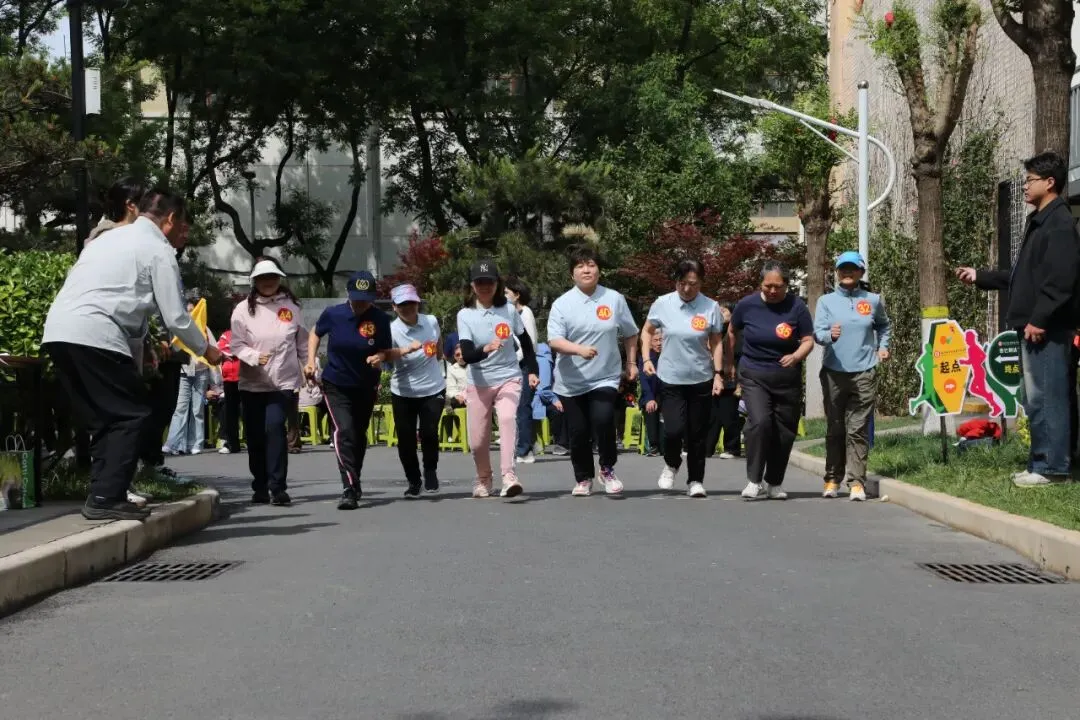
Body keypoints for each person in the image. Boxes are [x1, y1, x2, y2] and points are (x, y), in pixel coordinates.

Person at [42, 189, 221, 521]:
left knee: (105, 419)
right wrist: (206, 349)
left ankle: (102, 493)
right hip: (97, 333)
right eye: (182, 225)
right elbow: (176, 318)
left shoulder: (107, 239)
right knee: (131, 414)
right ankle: (106, 497)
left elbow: (126, 309)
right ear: (170, 219)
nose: (182, 235)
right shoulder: (158, 249)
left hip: (58, 333)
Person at [956, 151, 1080, 486]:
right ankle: (1041, 463)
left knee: (1047, 397)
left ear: (1050, 182)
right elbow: (1022, 277)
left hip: (1046, 329)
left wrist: (1040, 318)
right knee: (1035, 398)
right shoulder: (1040, 221)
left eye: (1030, 180)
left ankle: (1052, 468)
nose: (1025, 186)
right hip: (1034, 326)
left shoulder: (1058, 223)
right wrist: (980, 276)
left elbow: (1061, 280)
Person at [547, 245, 639, 496]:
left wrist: (631, 363)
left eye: (591, 265)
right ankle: (583, 478)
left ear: (599, 270)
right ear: (572, 274)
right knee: (578, 431)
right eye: (580, 266)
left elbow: (631, 333)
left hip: (605, 376)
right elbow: (554, 340)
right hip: (571, 379)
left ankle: (607, 468)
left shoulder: (614, 299)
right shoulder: (562, 304)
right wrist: (578, 350)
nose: (586, 270)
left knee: (603, 418)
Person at [306, 270, 392, 510]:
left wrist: (380, 357)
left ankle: (355, 478)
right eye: (356, 299)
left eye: (365, 299)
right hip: (336, 383)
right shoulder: (333, 314)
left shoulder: (380, 319)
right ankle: (349, 487)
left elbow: (386, 350)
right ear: (348, 294)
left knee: (358, 434)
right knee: (344, 431)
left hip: (366, 384)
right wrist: (311, 361)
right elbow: (315, 333)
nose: (361, 304)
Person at [639, 259, 725, 498]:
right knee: (673, 430)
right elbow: (646, 331)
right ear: (676, 281)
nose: (687, 288)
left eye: (693, 284)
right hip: (671, 378)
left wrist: (718, 374)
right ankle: (671, 463)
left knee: (697, 434)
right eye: (682, 283)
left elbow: (717, 342)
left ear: (701, 282)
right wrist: (646, 359)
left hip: (700, 377)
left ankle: (695, 480)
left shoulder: (710, 307)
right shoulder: (662, 303)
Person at [731, 261, 815, 500]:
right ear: (761, 283)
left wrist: (796, 356)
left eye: (778, 286)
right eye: (768, 286)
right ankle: (754, 480)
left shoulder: (797, 307)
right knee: (759, 423)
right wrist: (729, 364)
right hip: (754, 373)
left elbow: (808, 340)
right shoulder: (747, 305)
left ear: (786, 285)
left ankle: (774, 482)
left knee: (784, 431)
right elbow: (732, 332)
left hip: (787, 377)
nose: (773, 291)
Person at [456, 260, 539, 498]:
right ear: (472, 286)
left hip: (508, 377)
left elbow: (525, 342)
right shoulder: (465, 315)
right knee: (478, 440)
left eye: (489, 282)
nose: (485, 287)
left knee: (507, 418)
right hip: (479, 381)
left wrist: (532, 370)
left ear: (497, 284)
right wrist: (486, 348)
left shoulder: (509, 310)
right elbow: (468, 355)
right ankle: (484, 478)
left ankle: (509, 476)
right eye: (479, 282)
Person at [813, 251, 892, 501]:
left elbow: (884, 325)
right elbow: (818, 333)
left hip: (865, 371)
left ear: (861, 272)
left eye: (852, 268)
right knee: (835, 428)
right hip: (833, 373)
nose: (847, 272)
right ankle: (832, 479)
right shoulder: (826, 301)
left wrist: (882, 346)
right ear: (837, 272)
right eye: (843, 268)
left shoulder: (873, 300)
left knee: (857, 429)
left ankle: (857, 482)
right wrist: (830, 336)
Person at [230, 257, 308, 506]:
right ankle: (260, 486)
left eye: (272, 277)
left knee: (275, 429)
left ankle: (278, 487)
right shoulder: (243, 309)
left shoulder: (292, 307)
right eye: (262, 278)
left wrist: (309, 365)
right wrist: (254, 356)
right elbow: (236, 345)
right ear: (254, 281)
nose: (268, 282)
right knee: (255, 436)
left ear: (279, 279)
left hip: (282, 382)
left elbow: (302, 342)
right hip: (252, 382)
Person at [380, 283, 445, 497]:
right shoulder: (392, 329)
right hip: (403, 391)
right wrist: (406, 350)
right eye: (402, 305)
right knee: (406, 439)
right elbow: (385, 356)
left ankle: (430, 470)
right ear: (394, 307)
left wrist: (437, 356)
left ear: (418, 303)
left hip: (433, 388)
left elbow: (439, 346)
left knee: (429, 431)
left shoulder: (431, 321)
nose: (408, 308)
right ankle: (413, 480)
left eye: (411, 303)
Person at [163, 300, 217, 455]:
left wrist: (215, 383)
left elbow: (213, 349)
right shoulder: (179, 329)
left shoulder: (204, 327)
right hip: (184, 371)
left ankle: (195, 443)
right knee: (180, 408)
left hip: (201, 372)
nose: (191, 313)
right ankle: (174, 443)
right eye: (188, 311)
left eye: (193, 310)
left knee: (197, 409)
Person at [505, 278, 540, 464]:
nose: (503, 296)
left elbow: (530, 343)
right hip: (512, 365)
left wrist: (530, 369)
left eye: (506, 293)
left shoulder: (525, 313)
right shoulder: (507, 314)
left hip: (525, 365)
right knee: (512, 408)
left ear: (517, 295)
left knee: (523, 407)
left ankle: (525, 450)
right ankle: (524, 444)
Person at [706, 303, 744, 459]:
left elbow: (739, 356)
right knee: (711, 416)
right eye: (719, 311)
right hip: (712, 377)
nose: (721, 313)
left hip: (730, 379)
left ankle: (732, 448)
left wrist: (739, 381)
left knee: (729, 416)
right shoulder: (713, 330)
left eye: (724, 310)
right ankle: (707, 448)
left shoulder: (736, 332)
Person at [216, 328, 243, 453]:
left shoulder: (247, 332)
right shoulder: (226, 334)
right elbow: (221, 349)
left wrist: (234, 350)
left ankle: (253, 441)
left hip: (245, 377)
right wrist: (237, 351)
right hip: (229, 379)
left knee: (247, 411)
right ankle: (232, 443)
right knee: (230, 412)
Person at [638, 330, 663, 457]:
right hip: (651, 394)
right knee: (651, 407)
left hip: (666, 396)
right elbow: (644, 381)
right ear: (650, 343)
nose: (659, 343)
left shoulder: (668, 356)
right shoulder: (645, 358)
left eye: (661, 340)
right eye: (656, 340)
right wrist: (649, 398)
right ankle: (653, 445)